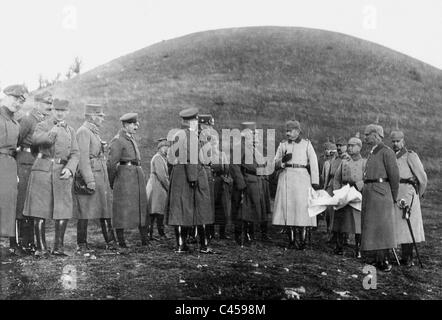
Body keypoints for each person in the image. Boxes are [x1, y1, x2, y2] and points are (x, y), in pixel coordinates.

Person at [23, 98, 80, 257]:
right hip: (43, 171)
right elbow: (37, 141)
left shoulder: (71, 131)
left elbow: (75, 153)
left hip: (62, 173)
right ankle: (41, 248)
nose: (60, 114)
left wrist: (70, 169)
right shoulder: (42, 125)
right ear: (52, 110)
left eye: (63, 111)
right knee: (39, 210)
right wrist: (54, 130)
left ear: (67, 112)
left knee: (63, 209)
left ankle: (58, 248)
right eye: (56, 110)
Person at [167, 107, 214, 253]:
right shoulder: (191, 135)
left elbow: (170, 158)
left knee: (180, 210)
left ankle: (181, 245)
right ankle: (203, 246)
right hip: (192, 174)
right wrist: (193, 177)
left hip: (178, 174)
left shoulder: (177, 134)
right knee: (201, 210)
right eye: (196, 120)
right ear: (191, 121)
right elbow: (191, 157)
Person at [73, 103, 116, 253]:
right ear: (92, 116)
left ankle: (111, 241)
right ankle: (82, 244)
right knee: (84, 211)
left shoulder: (93, 132)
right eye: (100, 116)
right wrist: (89, 180)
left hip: (100, 174)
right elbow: (83, 158)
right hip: (91, 176)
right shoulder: (83, 131)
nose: (102, 119)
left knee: (104, 209)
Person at [272, 120, 320, 250]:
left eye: (290, 131)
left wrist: (315, 182)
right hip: (286, 177)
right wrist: (282, 161)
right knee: (288, 209)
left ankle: (303, 240)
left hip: (301, 178)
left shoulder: (306, 144)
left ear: (298, 131)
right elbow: (274, 161)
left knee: (301, 209)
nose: (287, 133)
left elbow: (314, 163)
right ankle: (292, 240)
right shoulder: (282, 144)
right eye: (286, 131)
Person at [16, 91, 52, 254]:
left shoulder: (44, 121)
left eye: (50, 104)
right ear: (37, 103)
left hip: (37, 163)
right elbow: (15, 140)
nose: (50, 107)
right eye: (47, 103)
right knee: (22, 203)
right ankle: (20, 242)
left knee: (33, 204)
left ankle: (30, 242)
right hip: (24, 163)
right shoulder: (27, 119)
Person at [361, 123, 399, 272]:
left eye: (367, 134)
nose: (365, 137)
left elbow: (394, 177)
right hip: (371, 193)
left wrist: (393, 197)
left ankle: (384, 260)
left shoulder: (386, 152)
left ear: (376, 135)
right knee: (373, 227)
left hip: (382, 194)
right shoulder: (373, 152)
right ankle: (376, 259)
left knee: (383, 228)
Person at [107, 113, 149, 248]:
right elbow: (111, 164)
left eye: (136, 124)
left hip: (136, 175)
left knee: (141, 207)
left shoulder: (130, 138)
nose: (136, 126)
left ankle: (144, 240)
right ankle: (121, 241)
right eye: (133, 124)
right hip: (125, 178)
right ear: (125, 125)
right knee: (122, 209)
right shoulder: (118, 140)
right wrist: (112, 182)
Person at [230, 122, 272, 246]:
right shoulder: (240, 147)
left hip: (254, 181)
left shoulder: (251, 148)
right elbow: (234, 166)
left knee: (252, 210)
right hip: (247, 181)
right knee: (244, 211)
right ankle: (242, 237)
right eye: (252, 134)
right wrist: (241, 183)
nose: (254, 136)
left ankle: (249, 235)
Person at [391, 130, 427, 267]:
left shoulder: (410, 156)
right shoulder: (392, 156)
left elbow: (422, 178)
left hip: (409, 195)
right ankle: (403, 256)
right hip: (397, 194)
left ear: (403, 141)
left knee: (408, 225)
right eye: (393, 141)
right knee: (399, 226)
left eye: (397, 141)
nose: (395, 144)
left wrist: (418, 194)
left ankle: (408, 258)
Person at [0, 85, 28, 256]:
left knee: (9, 204)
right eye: (14, 98)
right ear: (5, 96)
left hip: (10, 164)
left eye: (20, 101)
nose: (16, 103)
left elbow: (16, 147)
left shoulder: (16, 123)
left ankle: (12, 242)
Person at [332, 136, 366, 257]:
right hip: (344, 192)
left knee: (358, 223)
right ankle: (339, 246)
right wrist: (337, 192)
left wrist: (359, 186)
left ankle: (358, 249)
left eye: (353, 146)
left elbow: (367, 178)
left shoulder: (364, 163)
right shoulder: (344, 162)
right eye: (349, 146)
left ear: (359, 147)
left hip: (357, 194)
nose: (350, 148)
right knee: (341, 220)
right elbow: (337, 178)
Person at [324, 137, 349, 242]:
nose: (339, 147)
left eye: (341, 145)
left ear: (346, 147)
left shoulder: (348, 158)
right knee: (329, 212)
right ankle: (331, 233)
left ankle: (344, 236)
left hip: (342, 187)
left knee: (342, 212)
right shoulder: (334, 158)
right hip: (331, 186)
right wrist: (325, 187)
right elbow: (329, 174)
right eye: (337, 145)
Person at [146, 138, 170, 240]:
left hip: (157, 186)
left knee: (155, 211)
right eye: (165, 147)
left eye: (168, 147)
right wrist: (169, 188)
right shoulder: (158, 158)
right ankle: (158, 234)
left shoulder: (161, 158)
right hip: (157, 187)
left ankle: (152, 234)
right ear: (160, 148)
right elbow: (162, 176)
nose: (167, 149)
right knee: (156, 211)